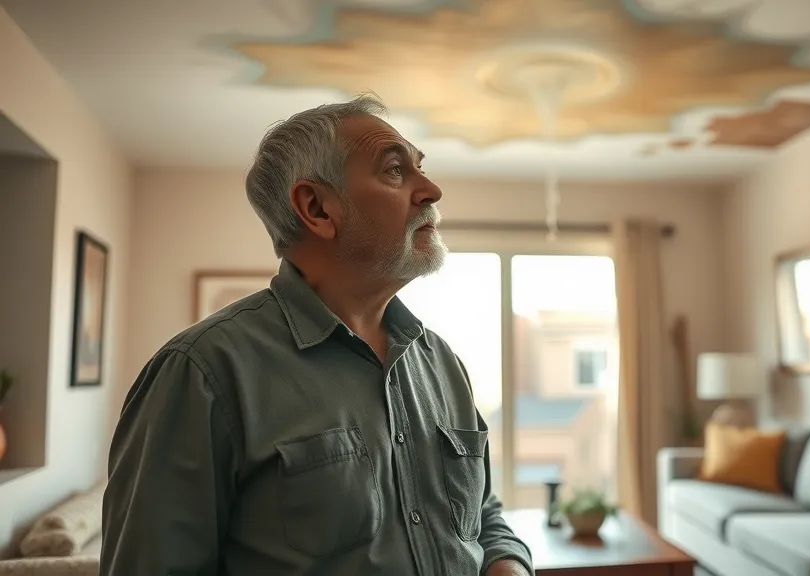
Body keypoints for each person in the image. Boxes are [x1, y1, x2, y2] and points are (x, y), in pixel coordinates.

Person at [100, 95, 534, 576]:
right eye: (395, 170)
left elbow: (484, 518)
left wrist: (508, 564)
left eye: (421, 169)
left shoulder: (442, 363)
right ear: (316, 208)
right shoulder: (202, 372)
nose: (431, 190)